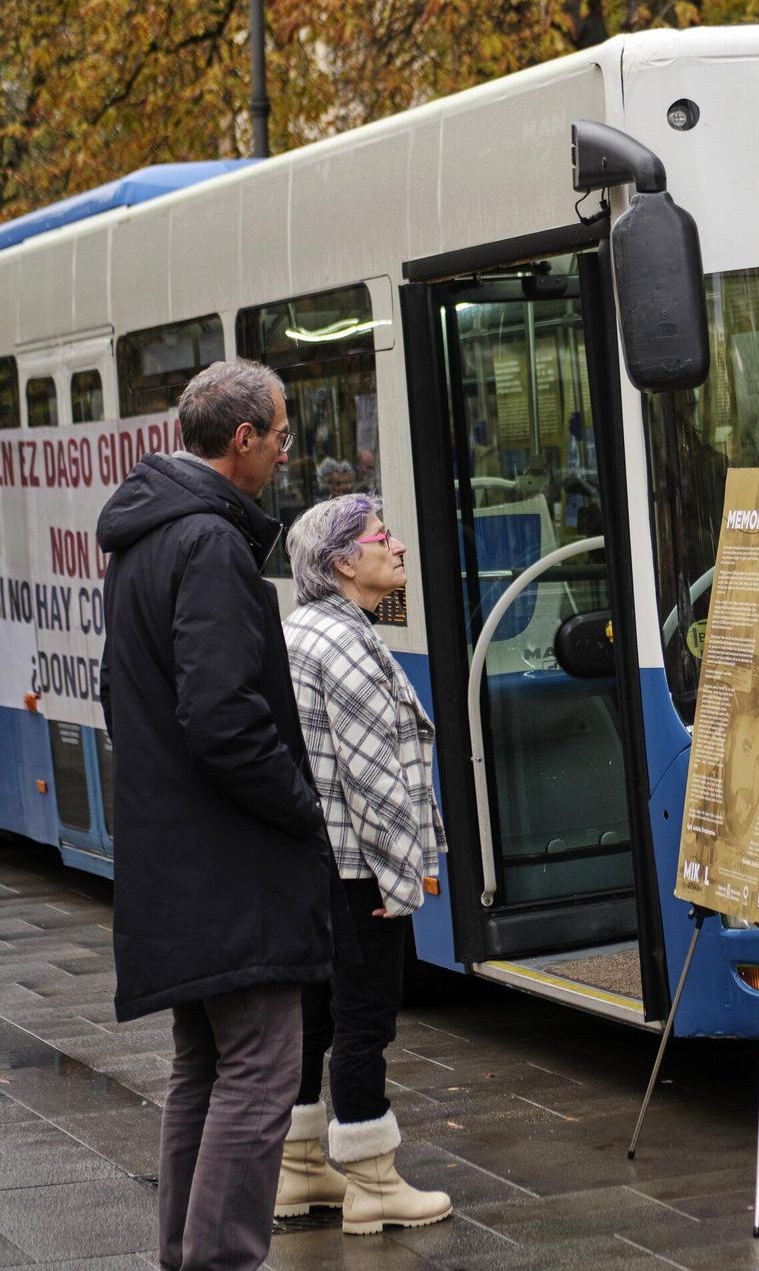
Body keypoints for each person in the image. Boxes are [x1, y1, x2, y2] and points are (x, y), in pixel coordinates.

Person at [96, 359, 335, 1271]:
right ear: (241, 441)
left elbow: (129, 700)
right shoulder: (210, 545)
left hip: (173, 858)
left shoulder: (145, 537)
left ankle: (183, 1256)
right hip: (231, 867)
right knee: (263, 1070)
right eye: (278, 434)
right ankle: (223, 1259)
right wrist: (303, 807)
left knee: (205, 1063)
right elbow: (225, 720)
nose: (284, 450)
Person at [279, 494, 452, 1236]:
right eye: (383, 538)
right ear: (345, 561)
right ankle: (374, 1183)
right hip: (358, 870)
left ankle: (298, 1170)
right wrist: (400, 874)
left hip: (315, 865)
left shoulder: (303, 630)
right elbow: (372, 775)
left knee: (313, 1019)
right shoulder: (344, 644)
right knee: (364, 1022)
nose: (399, 548)